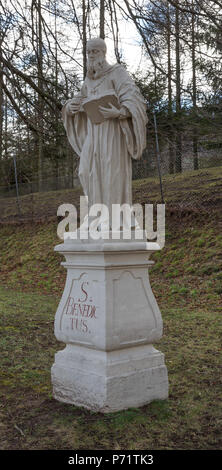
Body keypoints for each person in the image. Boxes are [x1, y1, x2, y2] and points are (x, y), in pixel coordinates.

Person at [62, 38, 148, 228]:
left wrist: (121, 112)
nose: (91, 55)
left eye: (94, 51)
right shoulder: (89, 80)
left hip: (113, 133)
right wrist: (70, 107)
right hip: (94, 132)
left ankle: (114, 219)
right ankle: (96, 216)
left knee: (111, 172)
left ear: (103, 52)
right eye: (88, 52)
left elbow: (135, 98)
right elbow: (80, 98)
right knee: (85, 170)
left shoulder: (117, 73)